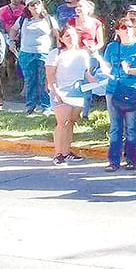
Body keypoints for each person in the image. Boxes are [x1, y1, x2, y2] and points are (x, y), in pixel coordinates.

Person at [101, 17, 136, 171]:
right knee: (115, 127)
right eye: (123, 26)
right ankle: (113, 161)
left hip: (133, 90)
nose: (127, 29)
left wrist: (130, 71)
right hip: (113, 89)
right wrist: (106, 73)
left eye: (130, 26)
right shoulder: (112, 47)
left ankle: (131, 159)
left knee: (131, 127)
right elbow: (106, 66)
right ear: (117, 30)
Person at [45, 26, 93, 165]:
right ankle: (58, 153)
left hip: (77, 92)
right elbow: (50, 76)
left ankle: (67, 151)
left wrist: (95, 80)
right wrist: (55, 91)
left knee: (71, 122)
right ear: (61, 39)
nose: (70, 38)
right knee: (62, 123)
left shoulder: (83, 54)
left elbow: (86, 73)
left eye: (72, 35)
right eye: (66, 36)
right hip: (61, 91)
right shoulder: (55, 53)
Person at [9, 0, 59, 115]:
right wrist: (11, 42)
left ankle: (46, 106)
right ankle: (30, 106)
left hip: (44, 53)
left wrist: (58, 49)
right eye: (32, 4)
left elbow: (57, 34)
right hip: (26, 53)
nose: (35, 6)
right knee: (30, 80)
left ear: (41, 5)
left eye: (37, 3)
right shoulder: (23, 19)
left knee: (44, 80)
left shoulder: (49, 19)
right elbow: (13, 30)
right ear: (28, 8)